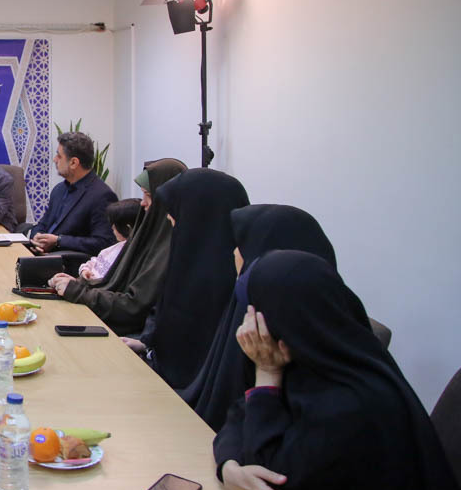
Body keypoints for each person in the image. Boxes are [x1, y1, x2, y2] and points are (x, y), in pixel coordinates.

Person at [212, 251, 461, 490]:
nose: (246, 328)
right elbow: (239, 416)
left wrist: (266, 375)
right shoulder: (318, 362)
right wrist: (230, 468)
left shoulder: (350, 405)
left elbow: (269, 477)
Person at [180, 205, 335, 431]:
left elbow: (253, 439)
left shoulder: (334, 402)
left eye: (241, 245)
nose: (234, 253)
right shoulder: (257, 311)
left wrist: (267, 375)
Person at [139, 168, 249, 390]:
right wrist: (147, 345)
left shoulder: (234, 280)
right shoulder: (190, 256)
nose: (169, 217)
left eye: (175, 211)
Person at [49, 158, 186, 336]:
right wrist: (79, 283)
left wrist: (79, 292)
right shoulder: (148, 235)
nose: (143, 203)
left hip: (123, 333)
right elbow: (114, 284)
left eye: (149, 195)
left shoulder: (167, 249)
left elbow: (134, 306)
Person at [25, 131, 116, 256]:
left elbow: (104, 243)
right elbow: (43, 223)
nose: (55, 159)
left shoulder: (102, 195)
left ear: (74, 163)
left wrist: (59, 241)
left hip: (68, 263)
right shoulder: (59, 190)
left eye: (59, 156)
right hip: (42, 255)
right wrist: (37, 237)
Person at [77, 198, 141, 284]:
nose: (112, 227)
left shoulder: (130, 257)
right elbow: (94, 262)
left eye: (116, 224)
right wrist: (84, 270)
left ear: (127, 227)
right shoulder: (112, 249)